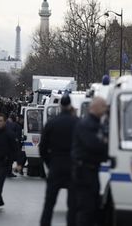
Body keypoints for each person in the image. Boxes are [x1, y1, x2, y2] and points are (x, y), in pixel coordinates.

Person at [39, 95, 79, 226]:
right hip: (73, 166)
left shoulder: (52, 123)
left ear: (60, 106)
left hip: (55, 164)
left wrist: (49, 163)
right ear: (70, 106)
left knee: (49, 203)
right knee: (73, 205)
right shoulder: (77, 123)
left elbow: (43, 147)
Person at [72, 97, 108, 226]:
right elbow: (94, 144)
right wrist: (105, 144)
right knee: (86, 208)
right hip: (85, 171)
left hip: (91, 170)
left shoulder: (96, 123)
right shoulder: (87, 124)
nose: (105, 109)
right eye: (103, 106)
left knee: (93, 207)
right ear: (95, 107)